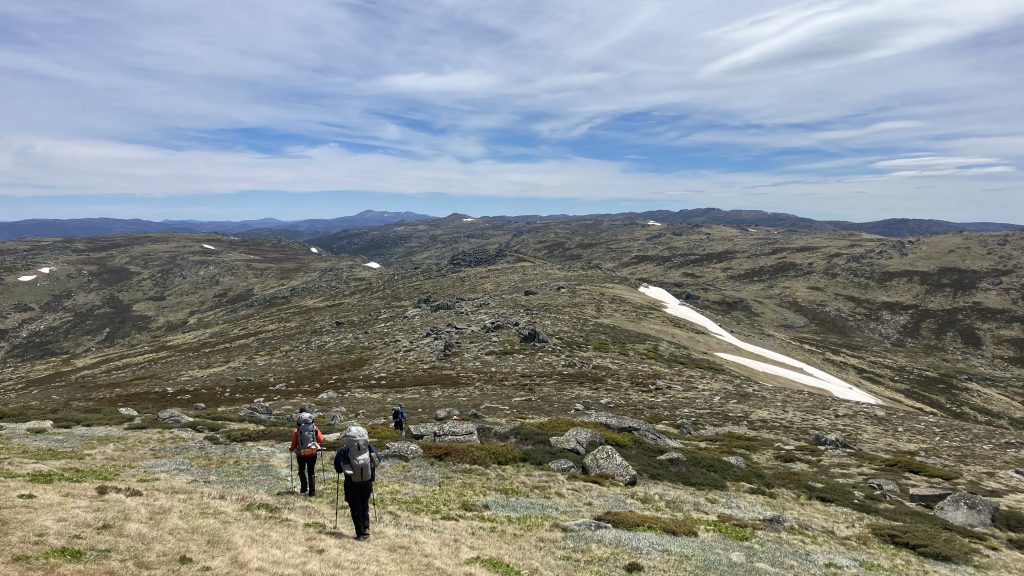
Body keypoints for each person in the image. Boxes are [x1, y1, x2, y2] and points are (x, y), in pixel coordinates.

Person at [333, 424, 381, 540]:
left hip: (351, 482)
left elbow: (338, 468)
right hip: (367, 481)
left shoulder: (344, 449)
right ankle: (366, 528)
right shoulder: (368, 446)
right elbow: (378, 459)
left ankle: (360, 533)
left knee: (355, 507)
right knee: (364, 504)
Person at [289, 405, 324, 497]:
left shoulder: (297, 430)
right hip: (312, 452)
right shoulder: (314, 428)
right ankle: (312, 492)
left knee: (301, 470)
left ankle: (304, 488)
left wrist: (291, 448)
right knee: (311, 471)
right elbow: (321, 440)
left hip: (301, 453)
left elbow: (294, 443)